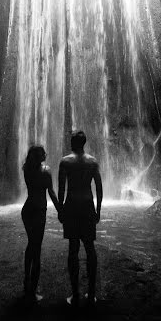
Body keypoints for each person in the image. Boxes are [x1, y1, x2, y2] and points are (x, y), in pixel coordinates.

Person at [58, 130, 103, 307]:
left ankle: (75, 293)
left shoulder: (65, 161)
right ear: (84, 143)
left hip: (71, 206)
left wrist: (60, 210)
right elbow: (99, 189)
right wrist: (98, 210)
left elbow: (61, 188)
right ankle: (91, 293)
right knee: (90, 247)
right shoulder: (92, 161)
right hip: (87, 206)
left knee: (73, 249)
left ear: (72, 142)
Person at [21, 144, 60, 303]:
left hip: (27, 210)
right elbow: (51, 192)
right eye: (43, 152)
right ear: (39, 156)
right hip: (38, 212)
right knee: (36, 249)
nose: (46, 153)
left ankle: (26, 280)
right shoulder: (46, 170)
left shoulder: (26, 169)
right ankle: (32, 291)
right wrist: (60, 210)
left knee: (31, 245)